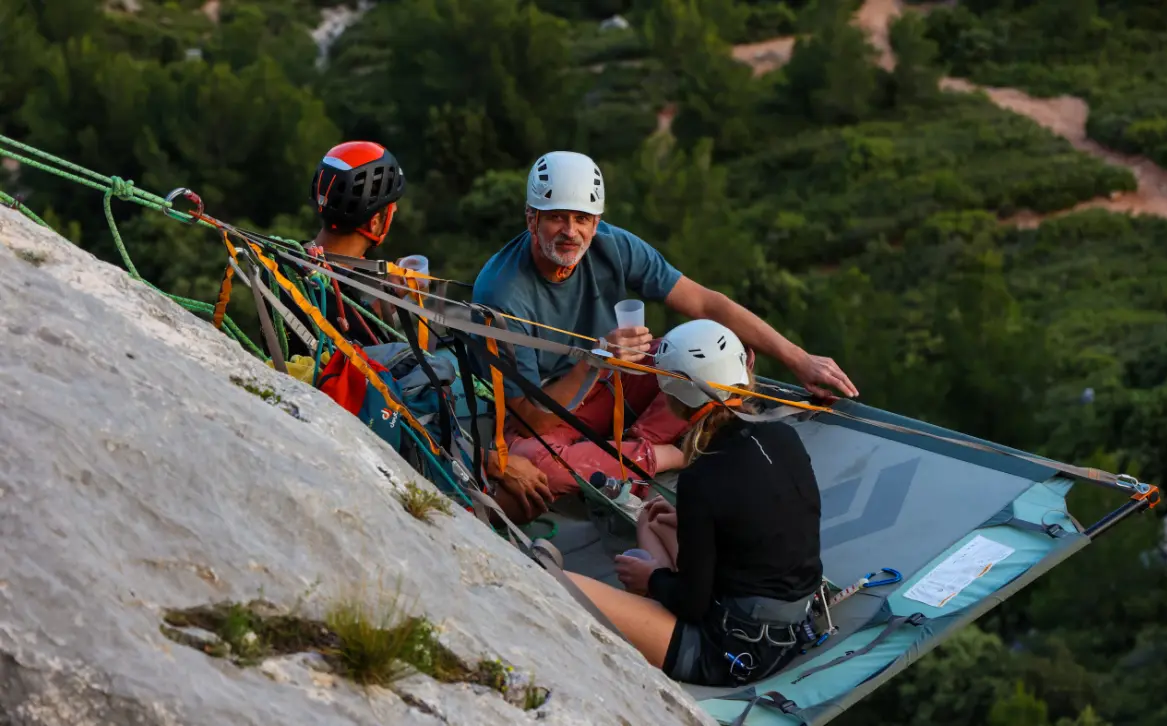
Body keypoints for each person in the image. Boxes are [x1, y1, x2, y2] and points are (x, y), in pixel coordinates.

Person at [470, 150, 857, 497]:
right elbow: (531, 417)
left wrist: (798, 358)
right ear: (532, 218)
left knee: (720, 347)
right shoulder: (501, 293)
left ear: (597, 220)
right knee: (535, 463)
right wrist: (595, 359)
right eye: (556, 217)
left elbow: (705, 303)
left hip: (617, 378)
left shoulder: (613, 245)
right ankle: (665, 453)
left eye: (582, 218)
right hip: (553, 410)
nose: (571, 232)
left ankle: (630, 449)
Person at [265, 142, 554, 520]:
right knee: (527, 497)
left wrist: (393, 304)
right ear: (375, 223)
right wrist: (492, 461)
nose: (395, 213)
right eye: (391, 209)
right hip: (380, 434)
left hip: (349, 407)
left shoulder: (288, 269)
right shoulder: (346, 297)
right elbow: (401, 406)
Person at [565, 320, 824, 686]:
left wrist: (652, 578)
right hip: (790, 626)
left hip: (734, 650)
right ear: (745, 368)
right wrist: (686, 521)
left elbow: (691, 604)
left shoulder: (702, 477)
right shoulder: (783, 436)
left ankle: (640, 607)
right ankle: (648, 592)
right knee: (652, 520)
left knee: (561, 582)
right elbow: (766, 524)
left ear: (672, 397)